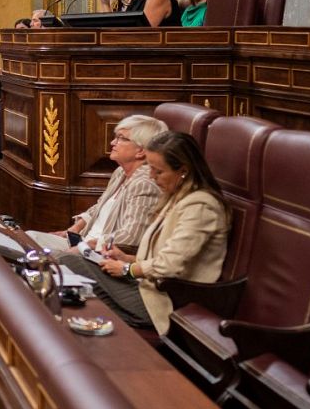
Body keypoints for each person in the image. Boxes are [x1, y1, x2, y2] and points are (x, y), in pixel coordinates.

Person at [95, 131, 230, 334]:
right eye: (151, 169)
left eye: (158, 171)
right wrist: (127, 258)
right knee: (82, 291)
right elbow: (160, 256)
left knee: (71, 265)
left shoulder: (201, 206)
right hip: (147, 288)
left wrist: (127, 269)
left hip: (163, 301)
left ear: (183, 171)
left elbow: (169, 265)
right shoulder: (176, 196)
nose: (151, 176)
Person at [29, 115, 167, 255]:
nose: (113, 142)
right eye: (116, 137)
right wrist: (73, 230)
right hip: (83, 242)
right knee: (28, 238)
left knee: (35, 256)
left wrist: (87, 246)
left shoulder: (144, 184)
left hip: (100, 255)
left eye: (122, 138)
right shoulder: (120, 172)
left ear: (141, 151)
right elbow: (99, 207)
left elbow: (131, 237)